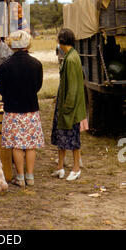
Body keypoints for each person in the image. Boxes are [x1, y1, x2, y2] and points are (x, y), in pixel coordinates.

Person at [0, 30, 44, 188]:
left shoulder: (5, 66)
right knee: (31, 144)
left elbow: (1, 89)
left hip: (12, 110)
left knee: (16, 145)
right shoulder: (37, 64)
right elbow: (38, 86)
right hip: (31, 108)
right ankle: (30, 177)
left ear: (12, 44)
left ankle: (20, 177)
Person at [51, 28, 87, 181]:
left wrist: (67, 108)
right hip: (64, 105)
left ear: (62, 41)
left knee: (73, 138)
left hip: (69, 108)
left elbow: (72, 88)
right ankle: (60, 167)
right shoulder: (69, 56)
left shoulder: (71, 59)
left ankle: (76, 168)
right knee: (61, 137)